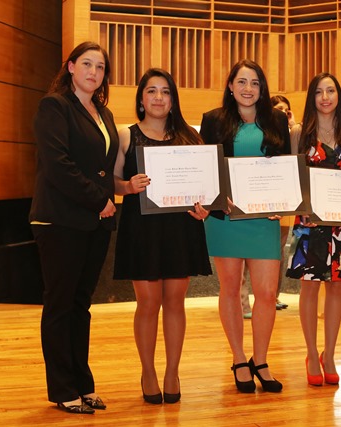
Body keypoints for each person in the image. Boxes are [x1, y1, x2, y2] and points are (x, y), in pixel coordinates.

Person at [113, 68, 212, 404]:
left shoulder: (190, 137)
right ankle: (148, 372)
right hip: (141, 229)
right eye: (152, 91)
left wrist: (205, 207)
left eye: (165, 91)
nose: (158, 97)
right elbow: (111, 182)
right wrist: (128, 186)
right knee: (147, 302)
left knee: (174, 301)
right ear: (141, 98)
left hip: (180, 228)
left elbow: (205, 187)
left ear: (173, 100)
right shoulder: (126, 136)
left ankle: (172, 371)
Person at [29, 41, 118, 414]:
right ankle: (63, 389)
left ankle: (83, 384)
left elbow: (103, 168)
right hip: (60, 220)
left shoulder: (103, 113)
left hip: (95, 222)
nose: (94, 72)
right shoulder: (54, 106)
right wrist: (99, 200)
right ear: (70, 67)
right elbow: (58, 165)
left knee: (81, 305)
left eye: (100, 67)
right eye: (87, 64)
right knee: (60, 304)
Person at [200, 59, 290, 393]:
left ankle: (260, 360)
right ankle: (239, 359)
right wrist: (216, 197)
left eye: (254, 83)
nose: (248, 89)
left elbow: (285, 168)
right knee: (231, 288)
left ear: (262, 88)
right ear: (230, 86)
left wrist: (282, 202)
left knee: (266, 293)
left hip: (264, 219)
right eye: (241, 82)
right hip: (226, 218)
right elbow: (206, 167)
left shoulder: (277, 120)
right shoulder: (213, 120)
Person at [286, 72, 341, 386]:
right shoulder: (299, 133)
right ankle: (310, 352)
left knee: (336, 288)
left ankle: (329, 354)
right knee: (309, 287)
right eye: (319, 92)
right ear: (312, 98)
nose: (325, 97)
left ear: (338, 95)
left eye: (331, 91)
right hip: (309, 221)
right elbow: (292, 176)